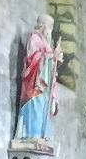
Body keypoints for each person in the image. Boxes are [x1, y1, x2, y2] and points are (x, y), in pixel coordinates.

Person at [16, 14, 62, 143]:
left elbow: (49, 60)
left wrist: (55, 59)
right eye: (50, 26)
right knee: (35, 106)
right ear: (43, 25)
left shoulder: (46, 42)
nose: (50, 29)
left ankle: (42, 134)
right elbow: (32, 57)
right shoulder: (34, 38)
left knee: (43, 108)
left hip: (45, 83)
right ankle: (32, 134)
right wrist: (50, 56)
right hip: (34, 81)